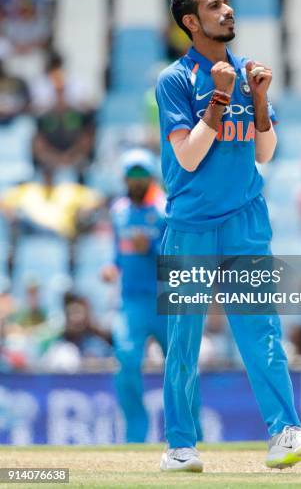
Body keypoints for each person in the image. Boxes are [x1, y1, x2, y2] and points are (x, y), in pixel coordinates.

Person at [155, 0, 301, 472]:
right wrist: (217, 98)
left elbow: (266, 152)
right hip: (190, 224)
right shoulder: (175, 80)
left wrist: (255, 98)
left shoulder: (246, 71)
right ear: (191, 22)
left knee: (261, 331)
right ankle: (181, 447)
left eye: (227, 1)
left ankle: (284, 432)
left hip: (246, 219)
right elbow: (187, 159)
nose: (227, 10)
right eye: (214, 5)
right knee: (184, 340)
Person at [101, 148, 201, 442]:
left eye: (141, 174)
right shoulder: (119, 210)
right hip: (132, 300)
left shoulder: (163, 208)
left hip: (165, 298)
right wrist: (111, 267)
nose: (136, 180)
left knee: (182, 366)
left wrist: (153, 247)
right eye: (131, 175)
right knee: (127, 360)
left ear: (150, 176)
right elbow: (119, 253)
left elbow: (178, 256)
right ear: (124, 178)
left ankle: (193, 433)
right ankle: (135, 436)